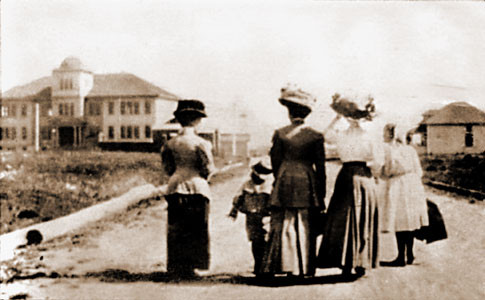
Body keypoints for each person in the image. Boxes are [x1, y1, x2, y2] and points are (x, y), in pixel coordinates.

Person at [260, 85, 326, 277]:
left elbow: (275, 161)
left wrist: (278, 179)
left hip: (285, 176)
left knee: (284, 219)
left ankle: (283, 265)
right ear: (307, 114)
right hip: (308, 179)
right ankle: (304, 267)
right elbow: (320, 167)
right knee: (305, 221)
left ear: (289, 113)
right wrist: (321, 193)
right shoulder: (316, 135)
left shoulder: (280, 133)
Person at [316, 93, 382, 278]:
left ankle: (345, 263)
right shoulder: (370, 136)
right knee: (362, 218)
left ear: (347, 118)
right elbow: (378, 161)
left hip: (346, 175)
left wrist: (336, 118)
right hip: (363, 176)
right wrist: (368, 170)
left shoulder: (342, 135)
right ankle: (361, 263)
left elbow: (325, 136)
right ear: (365, 118)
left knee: (344, 218)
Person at [161, 99, 215, 278]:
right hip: (197, 186)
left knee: (177, 228)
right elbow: (207, 168)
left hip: (175, 186)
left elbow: (168, 169)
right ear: (197, 120)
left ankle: (177, 266)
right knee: (197, 227)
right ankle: (193, 266)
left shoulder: (170, 143)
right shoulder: (202, 143)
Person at [380, 124, 429, 267]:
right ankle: (410, 254)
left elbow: (387, 171)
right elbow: (419, 171)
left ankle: (401, 256)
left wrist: (383, 176)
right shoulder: (410, 149)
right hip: (413, 184)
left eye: (385, 132)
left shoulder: (389, 150)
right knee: (410, 220)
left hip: (398, 185)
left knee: (400, 220)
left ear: (390, 135)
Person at [228, 157, 273, 275]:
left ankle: (267, 266)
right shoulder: (247, 184)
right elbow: (239, 198)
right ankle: (258, 264)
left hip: (266, 216)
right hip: (252, 216)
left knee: (267, 240)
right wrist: (234, 211)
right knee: (255, 241)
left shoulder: (269, 185)